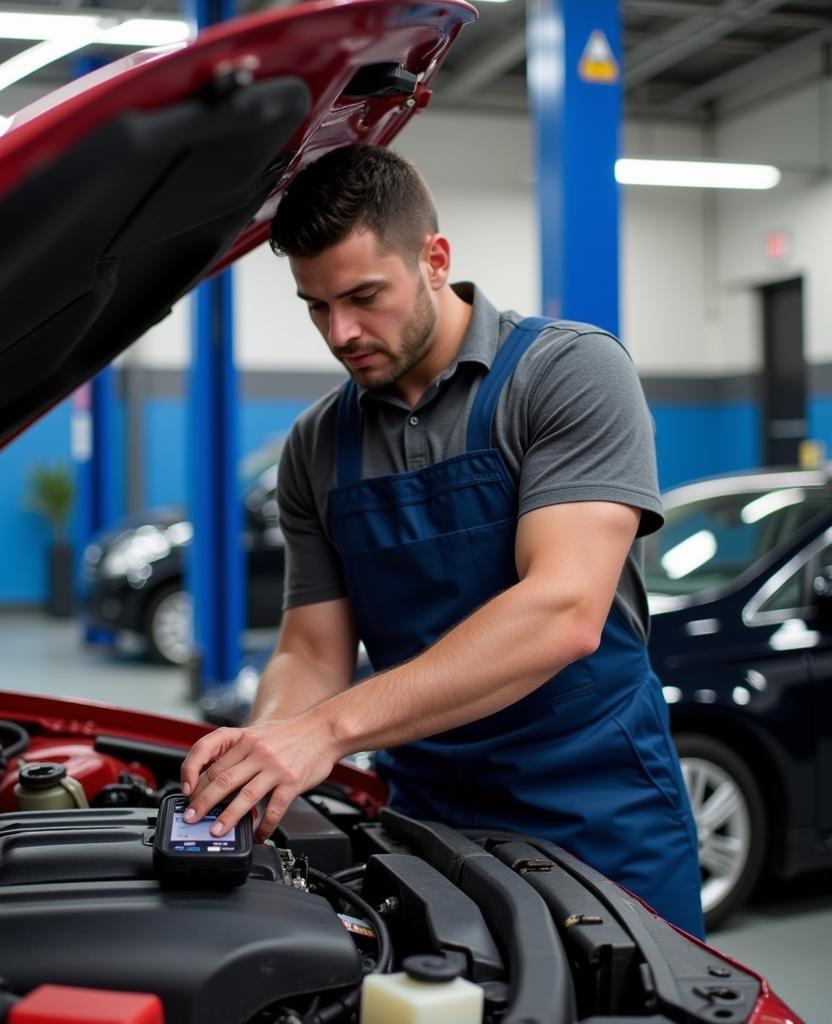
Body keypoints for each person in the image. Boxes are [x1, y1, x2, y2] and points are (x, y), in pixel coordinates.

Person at [180, 143, 705, 938]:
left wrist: (325, 732)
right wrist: (267, 751)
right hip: (430, 819)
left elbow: (562, 610)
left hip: (599, 811)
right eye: (316, 307)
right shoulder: (318, 444)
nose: (341, 332)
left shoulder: (567, 374)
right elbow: (313, 651)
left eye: (363, 296)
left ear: (435, 259)